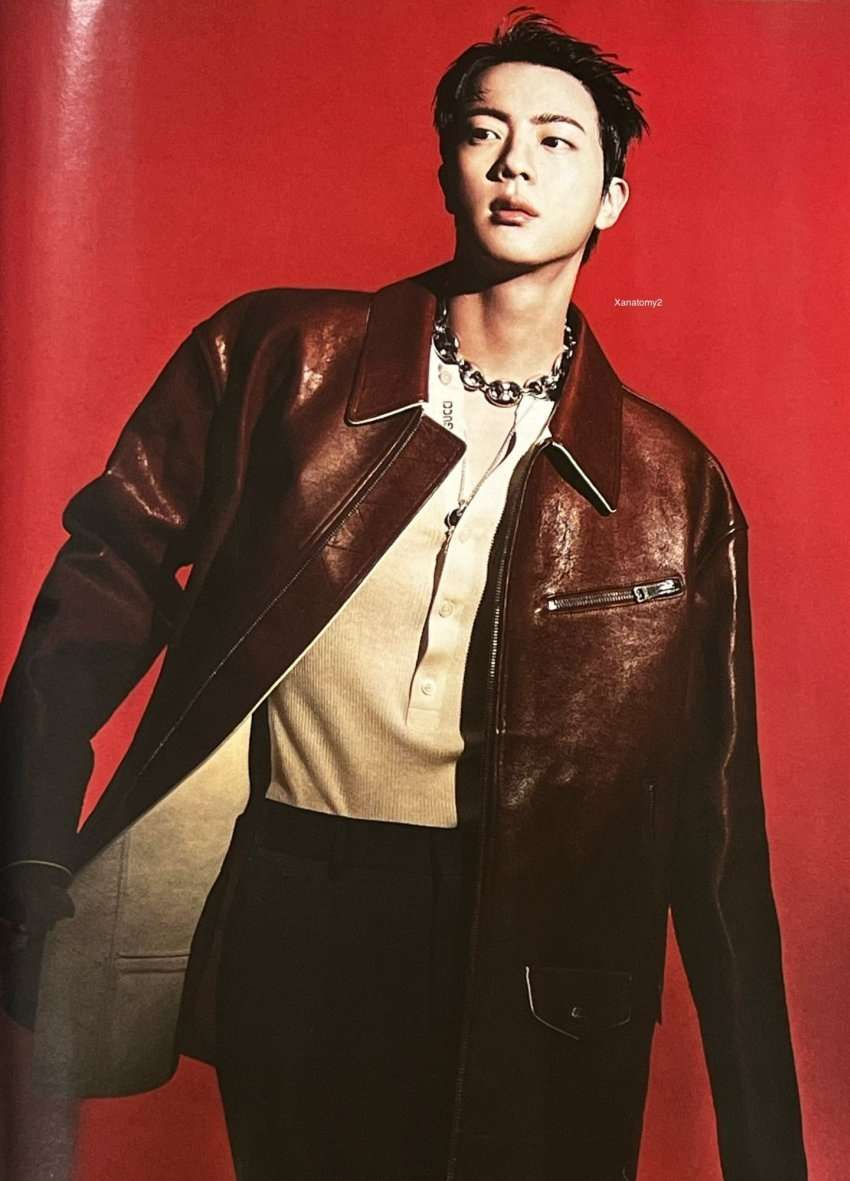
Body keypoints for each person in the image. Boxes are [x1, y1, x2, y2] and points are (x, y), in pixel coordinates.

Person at [0, 10, 807, 1181]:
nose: (515, 162)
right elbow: (107, 573)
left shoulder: (671, 483)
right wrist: (28, 834)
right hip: (300, 898)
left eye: (556, 139)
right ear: (445, 168)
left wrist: (765, 1144)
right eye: (484, 132)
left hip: (534, 937)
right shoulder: (279, 358)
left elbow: (716, 820)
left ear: (612, 197)